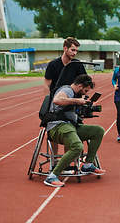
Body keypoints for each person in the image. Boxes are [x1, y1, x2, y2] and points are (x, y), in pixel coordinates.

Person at [44, 74, 105, 187]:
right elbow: (57, 100)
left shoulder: (75, 94)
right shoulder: (67, 90)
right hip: (58, 126)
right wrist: (77, 100)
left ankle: (87, 165)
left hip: (72, 126)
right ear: (80, 85)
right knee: (78, 147)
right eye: (85, 90)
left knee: (98, 131)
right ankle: (52, 176)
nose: (86, 94)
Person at [43, 37, 86, 169]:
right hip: (56, 104)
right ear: (65, 48)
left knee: (70, 129)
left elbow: (83, 84)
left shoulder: (77, 64)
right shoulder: (53, 65)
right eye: (72, 50)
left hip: (72, 103)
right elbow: (47, 84)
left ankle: (66, 164)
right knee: (53, 131)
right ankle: (54, 162)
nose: (74, 53)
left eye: (76, 51)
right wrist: (48, 103)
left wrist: (82, 99)